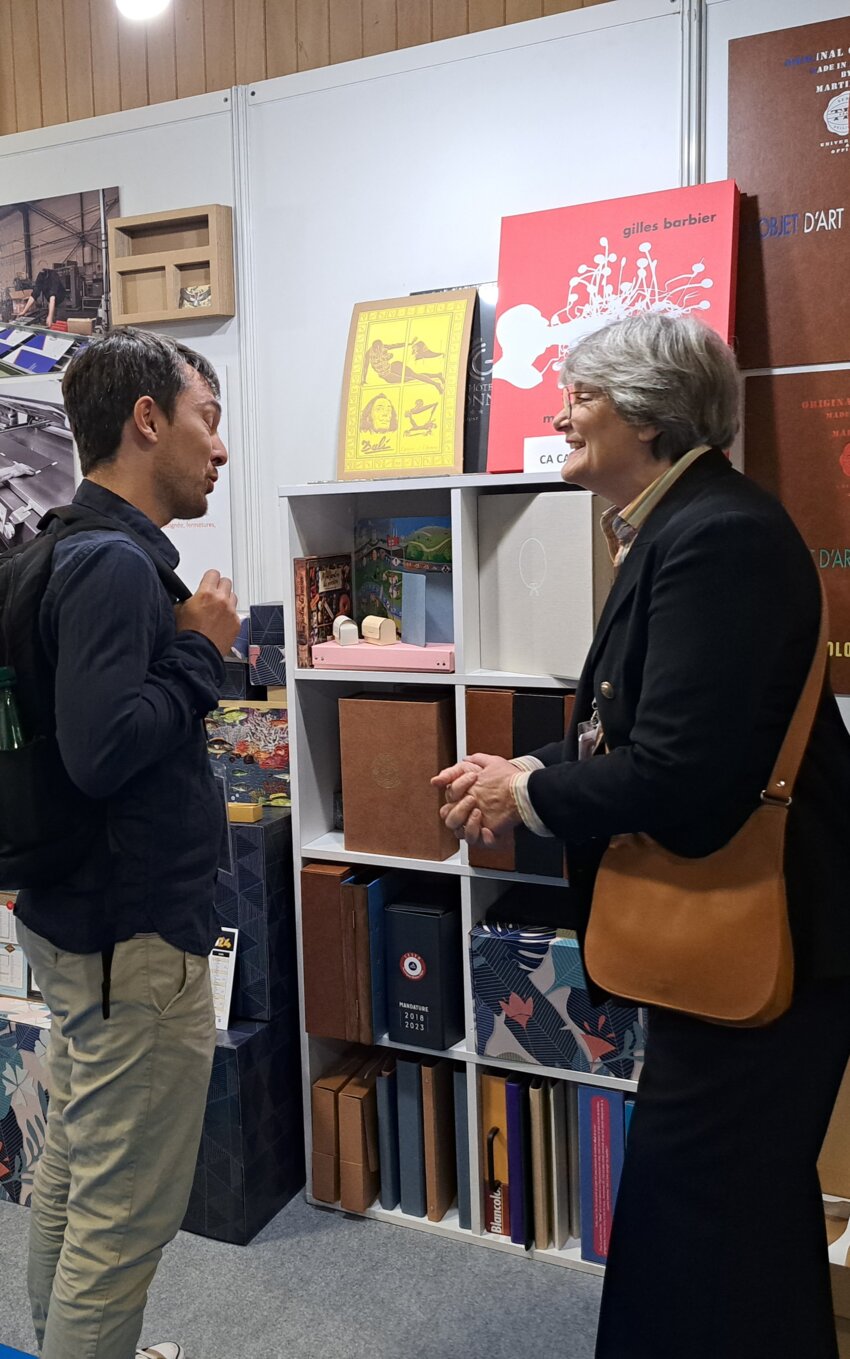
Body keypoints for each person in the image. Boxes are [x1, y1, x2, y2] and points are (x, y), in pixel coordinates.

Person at [433, 312, 850, 1359]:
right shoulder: (691, 525)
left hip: (772, 947)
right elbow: (657, 737)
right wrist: (534, 772)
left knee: (695, 1221)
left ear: (650, 412)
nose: (561, 411)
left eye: (581, 392)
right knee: (737, 1219)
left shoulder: (714, 536)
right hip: (752, 944)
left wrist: (528, 794)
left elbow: (681, 777)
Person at [14, 327, 238, 1359]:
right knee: (123, 1216)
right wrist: (200, 651)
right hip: (131, 943)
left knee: (75, 1167)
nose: (219, 448)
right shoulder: (111, 565)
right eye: (208, 419)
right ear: (147, 419)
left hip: (82, 927)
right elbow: (107, 751)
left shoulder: (57, 543)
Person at [19, 263, 68, 327]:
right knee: (50, 321)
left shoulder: (53, 275)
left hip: (60, 301)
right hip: (50, 301)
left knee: (59, 322)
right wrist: (24, 311)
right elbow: (34, 295)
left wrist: (50, 316)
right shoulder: (40, 276)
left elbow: (52, 297)